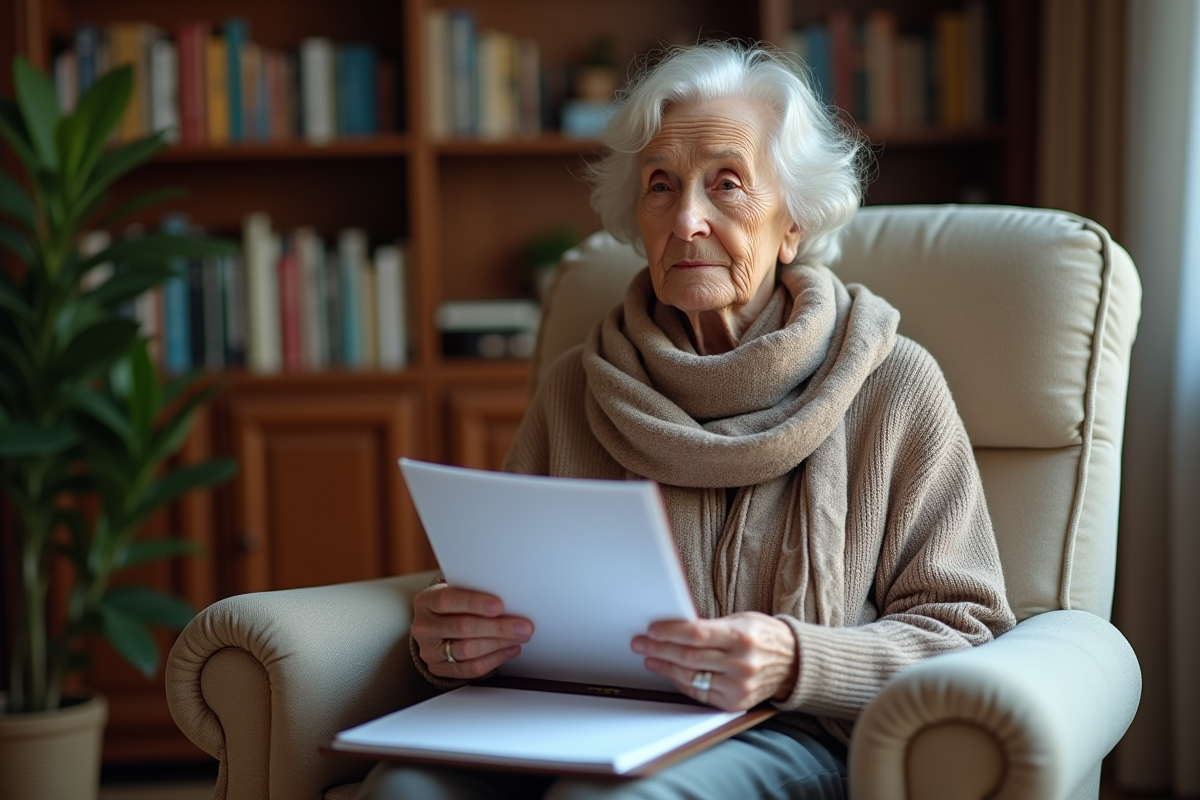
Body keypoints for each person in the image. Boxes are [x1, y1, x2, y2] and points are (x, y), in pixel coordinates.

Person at [357, 40, 1015, 800]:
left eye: (727, 184)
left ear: (793, 220)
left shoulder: (894, 385)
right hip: (565, 718)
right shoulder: (577, 385)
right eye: (661, 187)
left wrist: (798, 659)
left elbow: (966, 628)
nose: (687, 219)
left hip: (782, 729)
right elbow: (498, 592)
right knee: (399, 790)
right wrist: (449, 640)